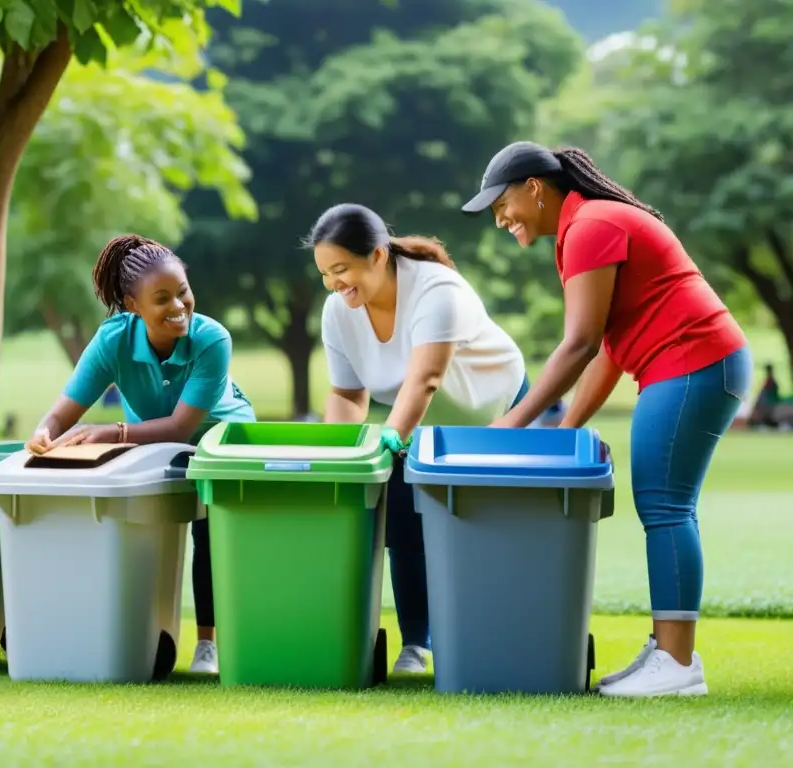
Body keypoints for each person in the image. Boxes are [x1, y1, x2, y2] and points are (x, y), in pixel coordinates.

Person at [461, 141, 753, 697]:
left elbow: (578, 344)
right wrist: (564, 428)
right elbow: (610, 350)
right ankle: (669, 650)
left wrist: (517, 421)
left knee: (666, 507)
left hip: (693, 362)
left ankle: (677, 663)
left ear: (534, 188)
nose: (499, 219)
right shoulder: (582, 230)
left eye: (500, 204)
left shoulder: (591, 227)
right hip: (686, 365)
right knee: (664, 506)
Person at [307, 203, 528, 674]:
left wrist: (391, 439)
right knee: (404, 524)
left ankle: (496, 632)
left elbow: (424, 378)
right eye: (325, 274)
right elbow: (347, 394)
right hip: (420, 423)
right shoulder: (338, 312)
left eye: (342, 269)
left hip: (498, 406)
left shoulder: (436, 290)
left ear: (379, 255)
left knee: (489, 526)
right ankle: (417, 643)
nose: (334, 283)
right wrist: (336, 456)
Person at [26, 234, 256, 675]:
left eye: (183, 292)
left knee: (209, 530)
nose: (179, 306)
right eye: (162, 298)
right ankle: (133, 629)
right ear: (132, 304)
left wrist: (110, 433)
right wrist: (43, 432)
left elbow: (181, 428)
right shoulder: (113, 341)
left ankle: (208, 643)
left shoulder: (211, 339)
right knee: (139, 528)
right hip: (147, 443)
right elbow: (62, 413)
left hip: (221, 440)